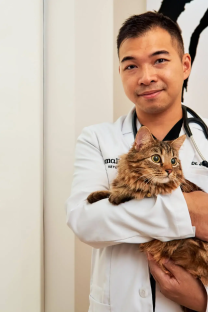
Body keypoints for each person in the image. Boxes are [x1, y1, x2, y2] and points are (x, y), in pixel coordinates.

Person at [66, 11, 208, 312]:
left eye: (159, 60)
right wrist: (190, 212)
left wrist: (204, 301)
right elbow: (85, 221)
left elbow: (105, 216)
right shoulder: (96, 138)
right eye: (131, 65)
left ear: (185, 65)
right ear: (121, 73)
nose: (146, 77)